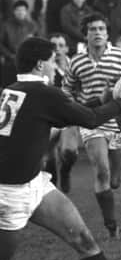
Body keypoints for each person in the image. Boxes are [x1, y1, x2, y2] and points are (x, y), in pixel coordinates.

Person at [0, 37, 121, 260]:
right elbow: (91, 119)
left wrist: (104, 99)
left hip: (33, 183)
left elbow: (68, 114)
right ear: (40, 64)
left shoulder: (15, 88)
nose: (56, 65)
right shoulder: (43, 93)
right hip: (10, 194)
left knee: (83, 238)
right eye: (53, 60)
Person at [62, 13, 121, 238]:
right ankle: (111, 224)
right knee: (102, 171)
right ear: (85, 34)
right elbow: (67, 90)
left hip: (119, 122)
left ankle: (118, 184)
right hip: (91, 121)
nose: (97, 33)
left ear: (108, 34)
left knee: (115, 181)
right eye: (92, 29)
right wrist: (74, 110)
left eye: (101, 29)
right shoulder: (75, 61)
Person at [43, 34, 80, 193]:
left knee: (70, 152)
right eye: (53, 45)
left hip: (70, 117)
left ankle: (65, 171)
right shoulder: (44, 68)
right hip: (50, 117)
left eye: (60, 45)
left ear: (66, 48)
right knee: (48, 158)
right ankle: (53, 191)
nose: (57, 49)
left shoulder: (77, 66)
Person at [0, 0, 41, 87]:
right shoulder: (6, 25)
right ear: (14, 12)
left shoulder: (32, 25)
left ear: (26, 12)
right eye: (18, 10)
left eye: (23, 10)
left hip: (28, 62)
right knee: (10, 85)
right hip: (10, 61)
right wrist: (10, 55)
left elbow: (39, 42)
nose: (20, 12)